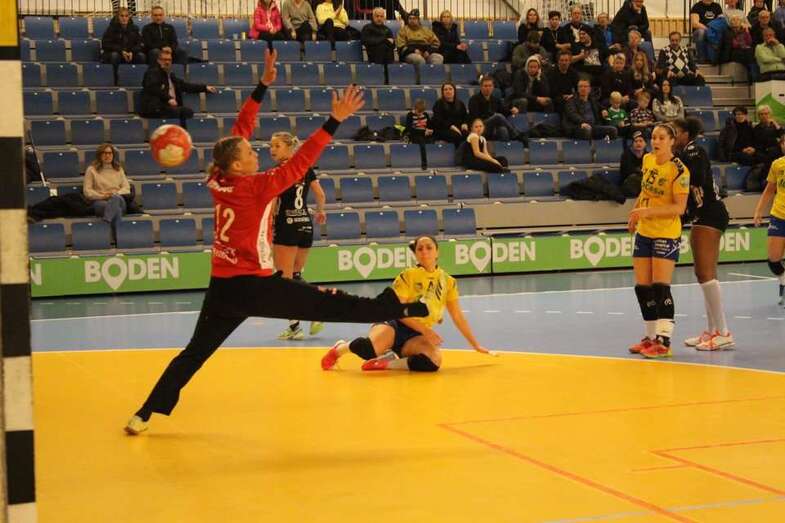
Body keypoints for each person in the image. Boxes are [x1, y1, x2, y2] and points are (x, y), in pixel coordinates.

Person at [124, 51, 429, 435]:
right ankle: (393, 307)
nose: (255, 152)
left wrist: (263, 85)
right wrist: (334, 120)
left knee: (194, 353)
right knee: (327, 304)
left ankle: (144, 413)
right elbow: (300, 163)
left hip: (222, 288)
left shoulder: (217, 178)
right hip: (255, 285)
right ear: (239, 165)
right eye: (251, 153)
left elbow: (240, 129)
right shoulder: (256, 187)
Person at [321, 235, 489, 372]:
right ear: (415, 254)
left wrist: (475, 345)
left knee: (432, 362)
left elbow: (457, 316)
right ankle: (339, 349)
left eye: (429, 247)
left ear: (437, 252)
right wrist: (425, 330)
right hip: (394, 323)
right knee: (368, 349)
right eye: (420, 249)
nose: (424, 251)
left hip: (415, 335)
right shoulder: (408, 275)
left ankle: (386, 363)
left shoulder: (448, 282)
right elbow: (398, 310)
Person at [627, 123, 691, 359]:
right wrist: (635, 213)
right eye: (653, 137)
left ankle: (664, 341)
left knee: (660, 287)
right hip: (645, 230)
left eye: (661, 138)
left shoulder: (679, 169)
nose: (656, 141)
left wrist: (647, 212)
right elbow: (644, 192)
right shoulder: (647, 159)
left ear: (672, 141)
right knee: (642, 288)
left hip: (666, 232)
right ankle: (650, 336)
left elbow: (679, 208)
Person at [672, 117, 734, 350]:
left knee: (705, 273)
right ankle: (712, 331)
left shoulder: (694, 151)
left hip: (710, 213)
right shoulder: (684, 154)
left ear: (686, 134)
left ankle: (724, 332)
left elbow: (696, 177)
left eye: (676, 132)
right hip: (702, 214)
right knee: (704, 275)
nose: (673, 136)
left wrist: (674, 163)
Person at [270, 132, 327, 341]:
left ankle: (295, 327)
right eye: (271, 146)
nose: (272, 149)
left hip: (286, 226)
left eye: (277, 145)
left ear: (288, 147)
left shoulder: (278, 171)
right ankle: (317, 310)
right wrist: (320, 211)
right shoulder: (305, 167)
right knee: (295, 276)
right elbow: (320, 194)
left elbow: (273, 201)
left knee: (283, 281)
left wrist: (268, 223)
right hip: (305, 225)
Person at [138, 47, 217, 128]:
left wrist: (204, 88)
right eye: (164, 60)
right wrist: (168, 98)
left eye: (169, 60)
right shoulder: (152, 72)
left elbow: (185, 86)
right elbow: (153, 88)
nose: (167, 62)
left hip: (165, 108)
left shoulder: (170, 75)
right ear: (158, 61)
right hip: (154, 109)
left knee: (186, 111)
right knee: (183, 112)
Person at [753, 133, 785, 305]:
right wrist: (758, 210)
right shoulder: (777, 164)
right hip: (779, 215)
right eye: (784, 143)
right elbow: (769, 190)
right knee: (773, 260)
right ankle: (783, 279)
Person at [83, 144, 131, 231]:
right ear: (99, 155)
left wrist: (114, 194)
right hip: (100, 201)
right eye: (104, 153)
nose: (107, 155)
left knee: (115, 199)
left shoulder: (119, 169)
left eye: (110, 153)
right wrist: (103, 196)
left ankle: (106, 222)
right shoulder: (91, 170)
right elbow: (87, 191)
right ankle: (117, 235)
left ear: (113, 155)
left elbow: (126, 188)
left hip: (118, 199)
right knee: (117, 211)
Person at [468, 76, 520, 141]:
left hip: (493, 127)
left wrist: (511, 110)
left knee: (503, 130)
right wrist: (492, 117)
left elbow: (503, 111)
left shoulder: (495, 99)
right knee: (497, 116)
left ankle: (506, 147)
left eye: (490, 86)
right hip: (479, 127)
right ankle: (517, 135)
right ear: (481, 87)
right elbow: (476, 118)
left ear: (493, 87)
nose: (488, 88)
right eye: (485, 86)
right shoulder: (474, 99)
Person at [101, 7, 145, 82]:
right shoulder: (111, 29)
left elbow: (140, 44)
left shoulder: (134, 29)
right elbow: (105, 44)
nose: (124, 18)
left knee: (141, 56)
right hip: (117, 54)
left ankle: (138, 79)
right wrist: (121, 51)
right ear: (118, 17)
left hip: (130, 54)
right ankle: (115, 79)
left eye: (126, 16)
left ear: (129, 17)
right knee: (115, 56)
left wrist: (132, 52)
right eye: (122, 16)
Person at [720, 14, 756, 79]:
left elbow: (749, 42)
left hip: (744, 51)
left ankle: (752, 73)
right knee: (748, 53)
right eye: (733, 20)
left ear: (741, 22)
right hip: (732, 52)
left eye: (738, 20)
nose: (736, 21)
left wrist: (747, 32)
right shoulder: (727, 32)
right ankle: (752, 74)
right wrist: (742, 45)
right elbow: (733, 44)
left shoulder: (744, 30)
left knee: (750, 51)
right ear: (730, 22)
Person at [405, 98, 433, 168]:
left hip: (425, 133)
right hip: (415, 135)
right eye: (418, 112)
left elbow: (429, 125)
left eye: (422, 112)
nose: (420, 114)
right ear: (415, 108)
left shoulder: (425, 114)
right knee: (422, 142)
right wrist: (423, 132)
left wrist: (430, 130)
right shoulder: (410, 115)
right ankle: (424, 163)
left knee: (436, 136)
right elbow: (410, 129)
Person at [620, 130, 647, 196]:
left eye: (641, 141)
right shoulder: (626, 155)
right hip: (629, 184)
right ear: (632, 144)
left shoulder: (648, 156)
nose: (638, 143)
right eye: (636, 141)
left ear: (645, 143)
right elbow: (626, 172)